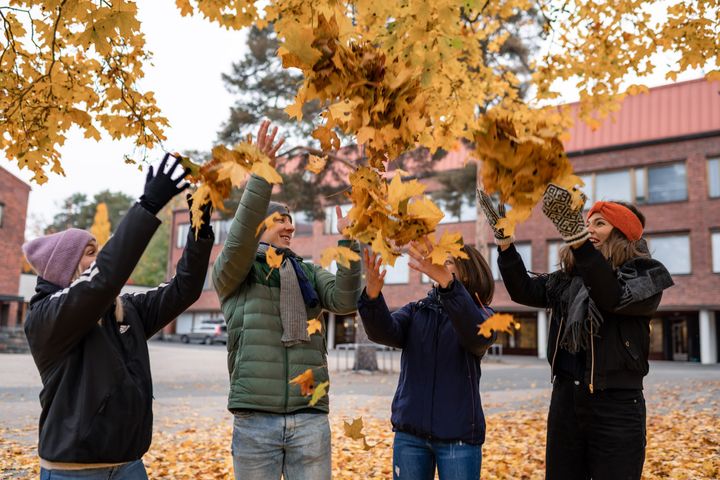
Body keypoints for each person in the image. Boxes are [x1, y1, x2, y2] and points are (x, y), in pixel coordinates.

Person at [22, 154, 214, 479]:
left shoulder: (126, 310)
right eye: (91, 252)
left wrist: (199, 228)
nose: (101, 258)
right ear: (65, 269)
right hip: (74, 471)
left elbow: (185, 289)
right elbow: (102, 279)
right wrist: (149, 204)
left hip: (130, 464)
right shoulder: (46, 318)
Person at [479, 184, 674, 480]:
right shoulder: (570, 279)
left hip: (617, 406)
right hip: (566, 400)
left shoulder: (646, 275)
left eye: (600, 223)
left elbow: (611, 296)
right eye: (586, 224)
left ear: (621, 233)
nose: (589, 229)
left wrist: (579, 243)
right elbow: (523, 290)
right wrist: (505, 245)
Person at [212, 121, 362, 480]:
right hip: (255, 419)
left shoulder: (307, 273)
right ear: (259, 227)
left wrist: (349, 244)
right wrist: (262, 176)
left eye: (293, 222)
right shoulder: (237, 271)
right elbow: (238, 239)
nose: (291, 228)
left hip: (309, 417)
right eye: (281, 220)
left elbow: (345, 300)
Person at [357, 239, 497, 480]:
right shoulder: (417, 310)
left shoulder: (484, 314)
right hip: (410, 435)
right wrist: (372, 295)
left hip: (459, 437)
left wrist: (448, 285)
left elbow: (477, 336)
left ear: (470, 271)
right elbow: (383, 332)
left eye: (449, 261)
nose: (440, 263)